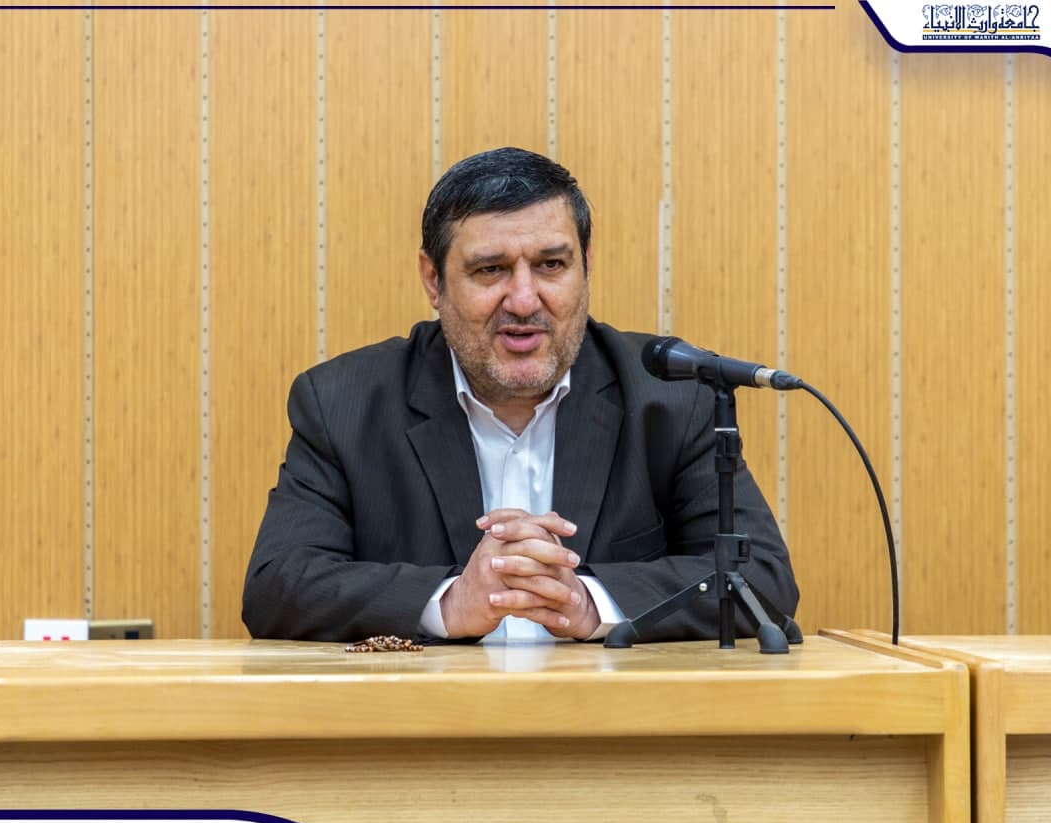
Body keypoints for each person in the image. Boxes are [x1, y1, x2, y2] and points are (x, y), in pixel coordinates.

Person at [243, 147, 797, 643]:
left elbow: (762, 579)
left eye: (551, 265)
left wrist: (590, 602)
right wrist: (448, 602)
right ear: (433, 280)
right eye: (491, 269)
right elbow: (276, 585)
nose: (525, 300)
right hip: (427, 718)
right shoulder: (344, 404)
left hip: (608, 718)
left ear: (586, 266)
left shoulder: (671, 399)